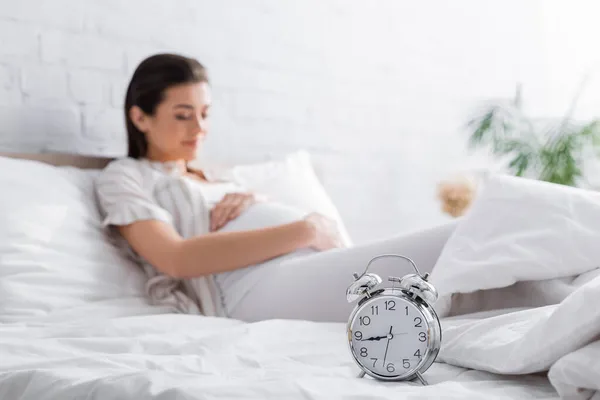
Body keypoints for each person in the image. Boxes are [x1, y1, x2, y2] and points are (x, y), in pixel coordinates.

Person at [95, 53, 458, 323]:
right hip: (246, 288)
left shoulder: (220, 178)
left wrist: (254, 200)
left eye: (205, 113)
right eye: (183, 115)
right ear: (140, 117)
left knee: (460, 272)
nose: (199, 127)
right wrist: (308, 229)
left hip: (304, 262)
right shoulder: (126, 176)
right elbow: (175, 258)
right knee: (457, 245)